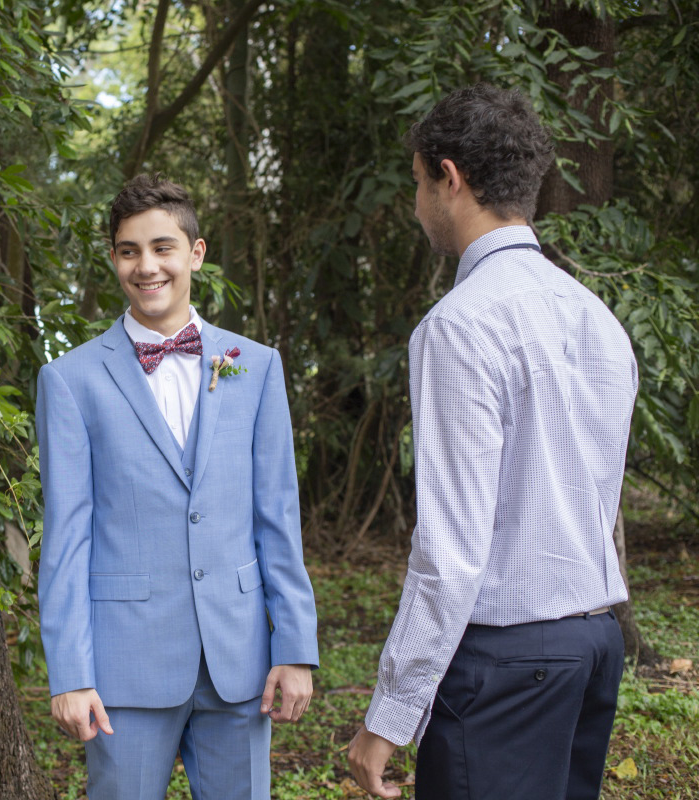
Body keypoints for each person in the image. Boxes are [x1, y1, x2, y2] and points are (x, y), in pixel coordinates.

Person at [347, 84, 636, 799]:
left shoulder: (460, 325)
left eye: (417, 182)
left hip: (510, 661)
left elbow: (452, 552)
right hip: (596, 645)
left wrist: (390, 713)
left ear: (450, 178)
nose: (417, 204)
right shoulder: (596, 316)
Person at [35, 174, 319, 799]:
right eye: (130, 250)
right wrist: (70, 673)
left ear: (195, 253)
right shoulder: (70, 379)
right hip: (124, 669)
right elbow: (67, 537)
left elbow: (277, 516)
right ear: (114, 259)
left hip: (238, 660)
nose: (147, 266)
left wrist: (294, 645)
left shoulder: (255, 365)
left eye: (162, 247)